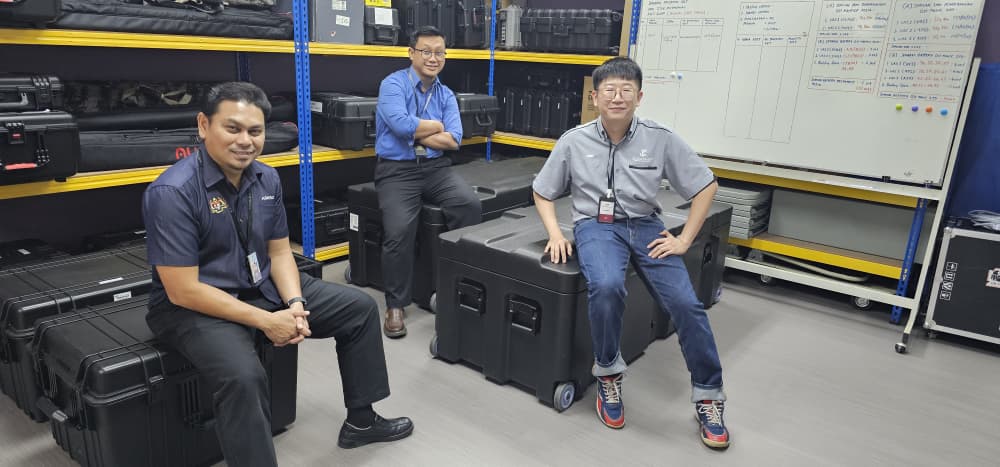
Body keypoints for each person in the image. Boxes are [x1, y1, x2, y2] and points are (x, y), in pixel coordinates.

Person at [142, 82, 413, 467]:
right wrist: (268, 321)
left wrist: (295, 303)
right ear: (203, 125)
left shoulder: (265, 178)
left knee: (359, 309)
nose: (245, 141)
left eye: (255, 131)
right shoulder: (172, 192)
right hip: (192, 307)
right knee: (243, 377)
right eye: (232, 128)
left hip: (258, 285)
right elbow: (183, 290)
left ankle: (362, 421)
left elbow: (279, 251)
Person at [531, 57, 730, 449]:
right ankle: (608, 374)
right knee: (607, 286)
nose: (617, 97)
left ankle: (709, 396)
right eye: (609, 90)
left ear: (639, 97)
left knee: (686, 305)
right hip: (596, 226)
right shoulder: (574, 140)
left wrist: (684, 240)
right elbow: (542, 190)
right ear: (595, 97)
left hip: (646, 226)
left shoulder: (661, 138)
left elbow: (706, 185)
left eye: (626, 90)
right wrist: (555, 233)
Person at [374, 25, 482, 338]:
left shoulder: (445, 94)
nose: (433, 58)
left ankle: (454, 287)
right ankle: (396, 305)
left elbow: (455, 139)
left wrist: (418, 131)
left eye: (439, 53)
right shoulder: (393, 84)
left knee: (469, 205)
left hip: (436, 169)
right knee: (398, 231)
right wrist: (435, 126)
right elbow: (398, 124)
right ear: (411, 53)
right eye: (426, 52)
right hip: (397, 170)